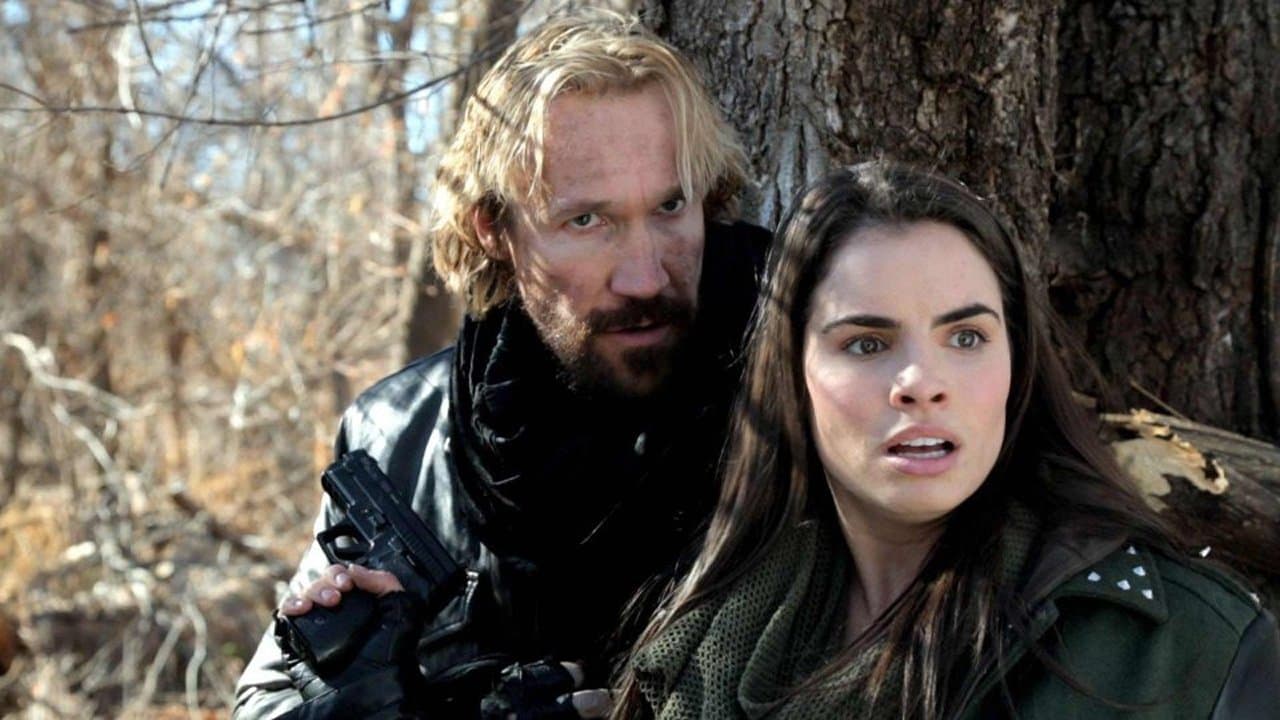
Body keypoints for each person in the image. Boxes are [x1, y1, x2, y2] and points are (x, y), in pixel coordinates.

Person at [233, 10, 770, 719]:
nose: (645, 278)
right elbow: (269, 699)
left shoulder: (807, 405)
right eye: (587, 221)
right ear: (495, 229)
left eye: (670, 206)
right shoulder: (398, 437)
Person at [613, 161, 1280, 719]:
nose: (921, 384)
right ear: (792, 374)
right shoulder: (701, 646)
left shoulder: (1191, 651)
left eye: (966, 337)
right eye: (867, 343)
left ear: (1017, 361)